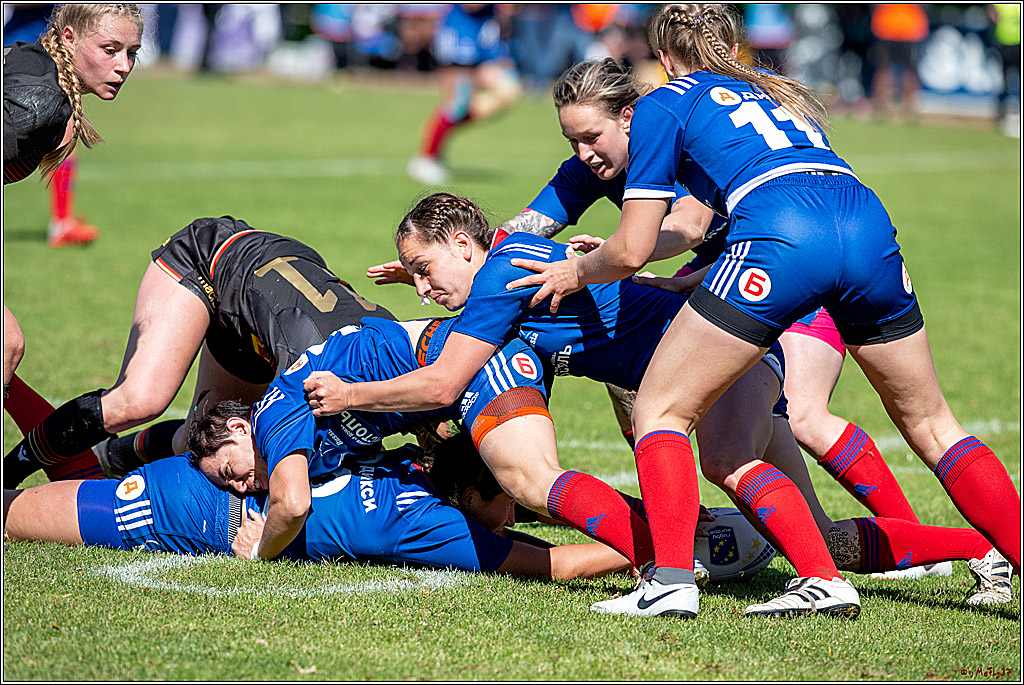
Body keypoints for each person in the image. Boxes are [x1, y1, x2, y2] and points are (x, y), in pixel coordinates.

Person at [501, 3, 1019, 614]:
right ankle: (875, 567)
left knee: (664, 411)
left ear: (663, 58)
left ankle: (669, 582)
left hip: (780, 251)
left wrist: (577, 268)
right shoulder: (772, 95)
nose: (584, 152)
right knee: (932, 424)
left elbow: (644, 243)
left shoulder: (665, 105)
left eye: (590, 135)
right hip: (862, 222)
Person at [309, 192, 861, 619]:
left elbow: (442, 385)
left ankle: (673, 578)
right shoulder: (505, 259)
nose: (422, 288)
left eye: (424, 269)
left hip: (708, 343)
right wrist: (422, 272)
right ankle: (830, 577)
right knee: (731, 466)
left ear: (460, 243)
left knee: (679, 443)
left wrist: (348, 395)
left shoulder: (499, 276)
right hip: (731, 337)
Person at [190, 310, 666, 576]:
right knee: (523, 486)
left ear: (238, 430)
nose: (242, 487)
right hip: (467, 371)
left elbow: (290, 505)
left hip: (474, 366)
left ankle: (673, 551)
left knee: (529, 483)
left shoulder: (276, 414)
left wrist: (256, 553)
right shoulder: (319, 447)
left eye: (232, 472)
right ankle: (669, 519)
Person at [3, 216, 396, 489]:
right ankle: (9, 473)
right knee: (138, 402)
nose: (243, 489)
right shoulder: (315, 364)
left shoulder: (392, 358)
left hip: (257, 320)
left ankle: (112, 457)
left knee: (203, 438)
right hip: (207, 262)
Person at [3, 434, 632, 581]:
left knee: (19, 504)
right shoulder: (429, 524)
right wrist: (651, 551)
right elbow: (550, 565)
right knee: (11, 518)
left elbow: (534, 514)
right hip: (175, 513)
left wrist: (651, 515)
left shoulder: (415, 459)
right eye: (509, 500)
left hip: (202, 478)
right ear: (469, 497)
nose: (517, 509)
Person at [407, 4, 521, 185]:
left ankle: (439, 131)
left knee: (508, 91)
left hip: (485, 35)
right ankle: (426, 158)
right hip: (460, 34)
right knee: (459, 105)